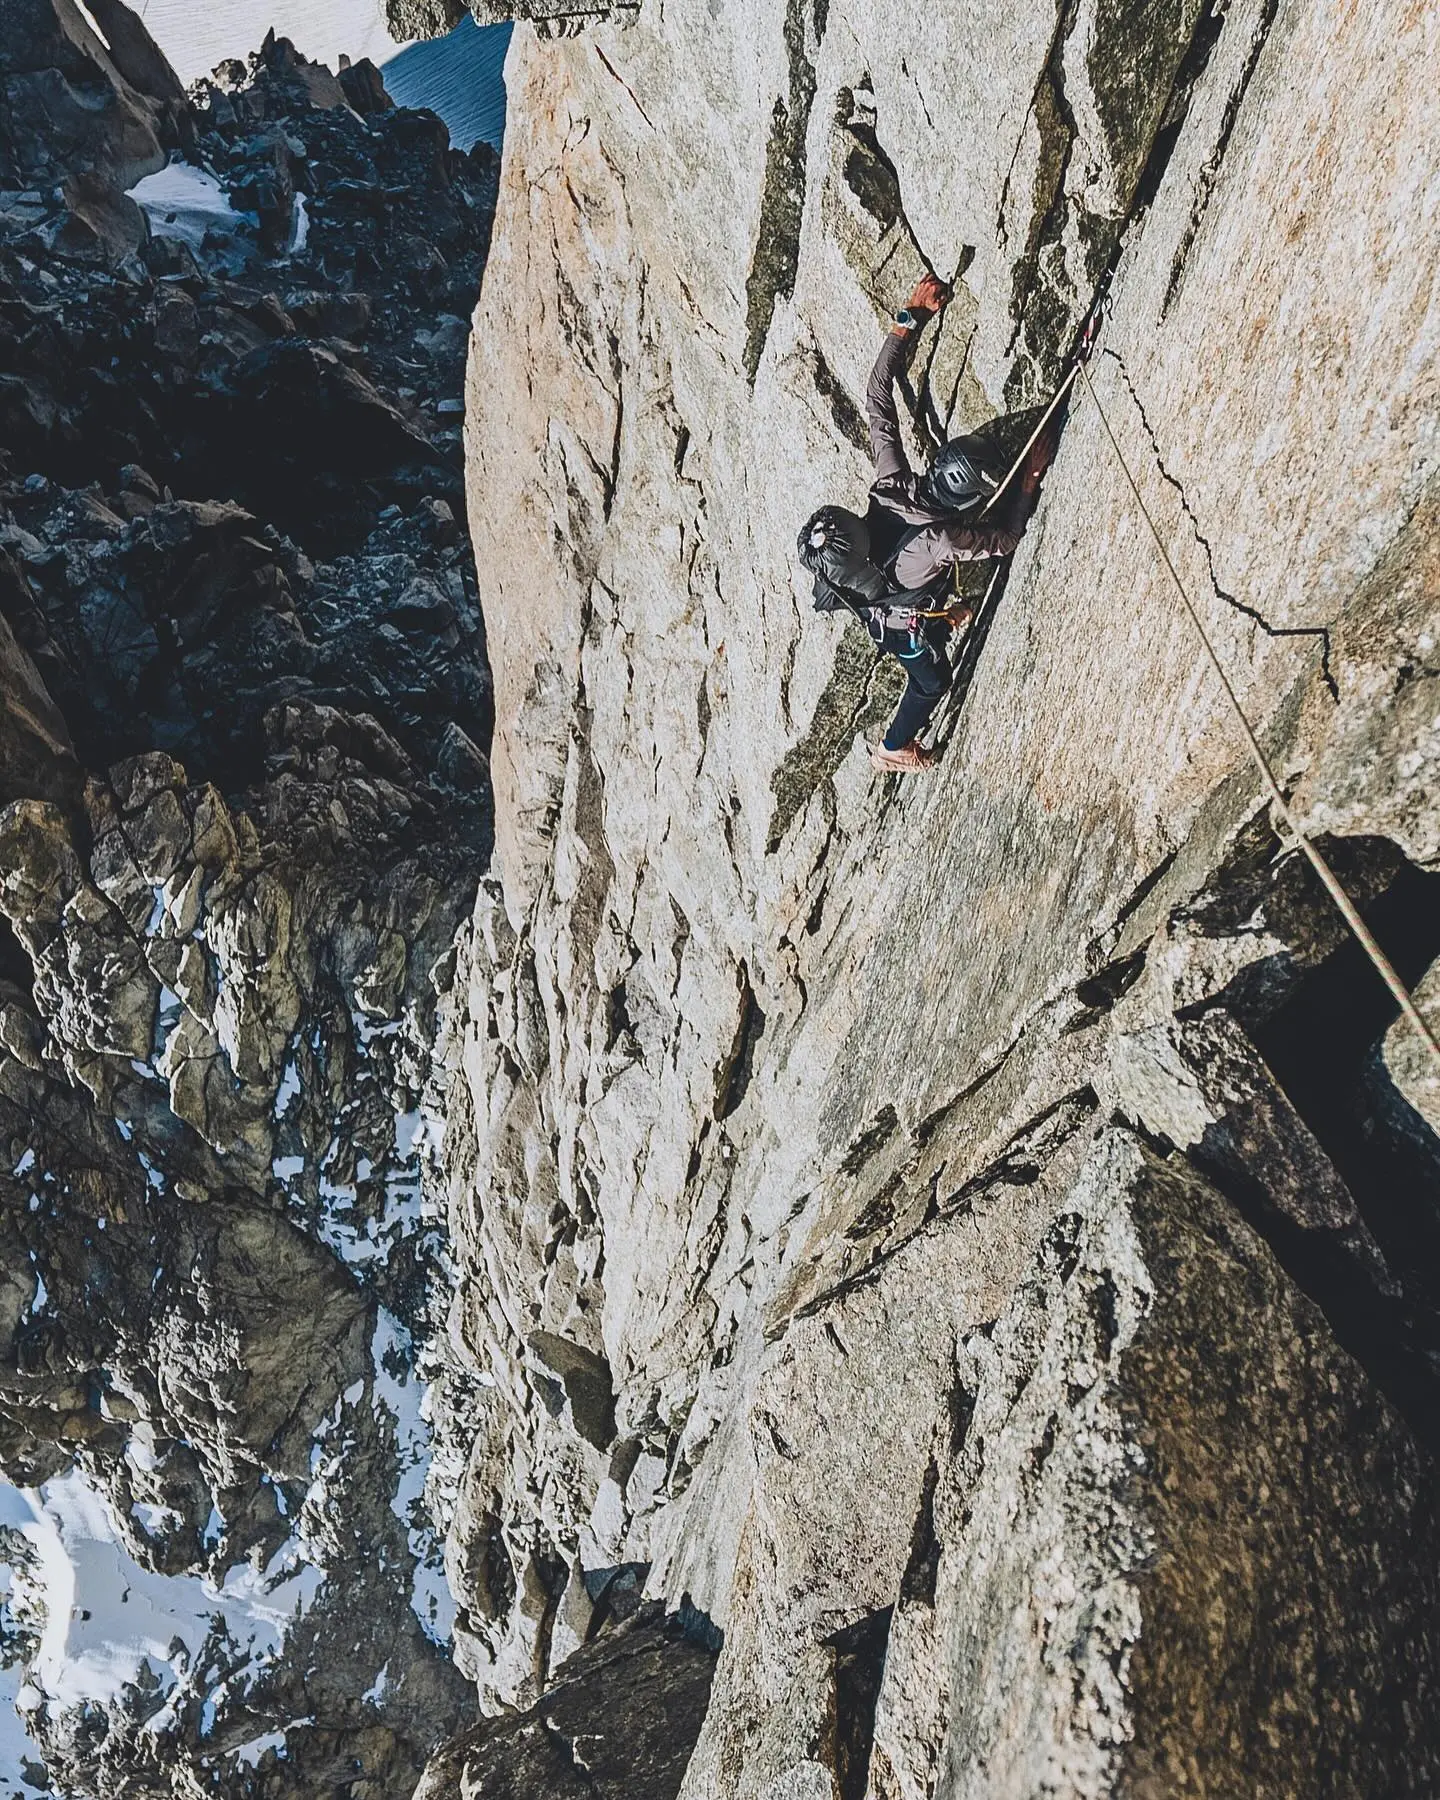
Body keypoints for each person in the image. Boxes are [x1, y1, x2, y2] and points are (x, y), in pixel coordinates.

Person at [799, 272, 1060, 774]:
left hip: (885, 600)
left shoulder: (891, 485)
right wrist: (1027, 482)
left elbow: (878, 397)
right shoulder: (938, 535)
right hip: (898, 622)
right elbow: (1005, 540)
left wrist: (911, 315)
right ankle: (893, 748)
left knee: (935, 623)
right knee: (932, 683)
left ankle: (946, 618)